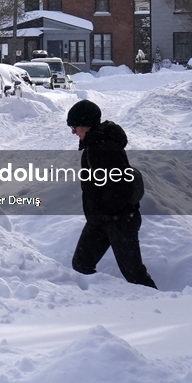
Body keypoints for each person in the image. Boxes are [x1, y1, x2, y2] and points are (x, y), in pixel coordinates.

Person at [67, 99, 157, 288]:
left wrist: (110, 211)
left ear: (87, 125)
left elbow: (121, 186)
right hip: (100, 221)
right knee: (81, 264)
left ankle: (161, 309)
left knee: (135, 275)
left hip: (119, 221)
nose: (73, 132)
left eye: (75, 127)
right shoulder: (94, 146)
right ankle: (98, 304)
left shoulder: (104, 148)